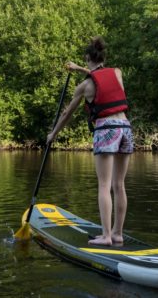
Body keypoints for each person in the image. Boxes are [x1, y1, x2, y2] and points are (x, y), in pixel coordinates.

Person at [47, 36, 133, 246]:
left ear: (87, 58)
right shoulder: (117, 73)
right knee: (119, 185)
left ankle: (105, 236)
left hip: (106, 130)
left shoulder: (84, 87)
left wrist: (53, 134)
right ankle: (117, 233)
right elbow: (102, 77)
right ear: (103, 57)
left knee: (104, 185)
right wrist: (79, 69)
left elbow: (67, 113)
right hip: (125, 129)